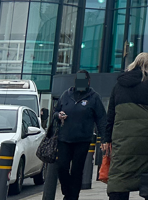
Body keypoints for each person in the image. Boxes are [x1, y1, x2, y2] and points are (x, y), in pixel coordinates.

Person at [103, 53, 148, 200]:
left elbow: (110, 116)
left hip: (123, 141)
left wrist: (106, 139)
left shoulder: (118, 86)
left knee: (120, 178)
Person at [54, 70, 106, 200]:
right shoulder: (66, 95)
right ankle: (67, 191)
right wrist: (58, 115)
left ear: (88, 82)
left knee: (77, 170)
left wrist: (104, 139)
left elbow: (101, 119)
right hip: (64, 138)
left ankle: (72, 197)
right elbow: (55, 112)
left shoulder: (94, 97)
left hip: (83, 140)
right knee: (62, 167)